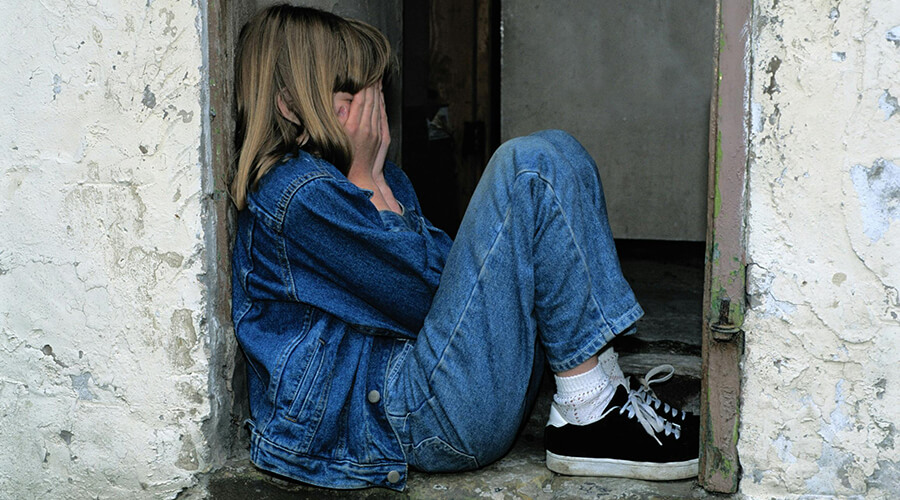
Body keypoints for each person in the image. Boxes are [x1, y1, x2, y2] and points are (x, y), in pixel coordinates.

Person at [230, 4, 699, 492]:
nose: (373, 116)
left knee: (559, 150)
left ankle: (599, 393)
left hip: (432, 391)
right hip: (404, 418)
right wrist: (369, 182)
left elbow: (450, 289)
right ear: (289, 105)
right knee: (527, 167)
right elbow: (428, 297)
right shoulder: (299, 196)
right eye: (351, 97)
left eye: (374, 95)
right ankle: (589, 414)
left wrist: (379, 185)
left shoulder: (372, 180)